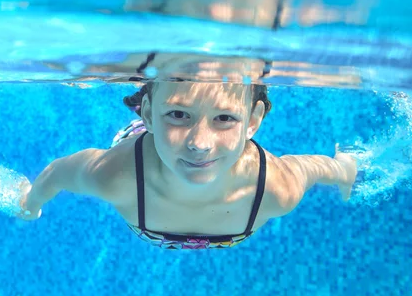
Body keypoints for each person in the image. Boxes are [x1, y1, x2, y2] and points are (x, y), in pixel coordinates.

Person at [18, 76, 358, 250]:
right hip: (150, 144)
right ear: (147, 113)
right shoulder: (117, 174)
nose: (199, 144)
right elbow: (58, 173)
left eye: (225, 118)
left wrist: (343, 170)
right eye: (178, 114)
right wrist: (31, 201)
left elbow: (310, 168)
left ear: (253, 122)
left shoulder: (274, 189)